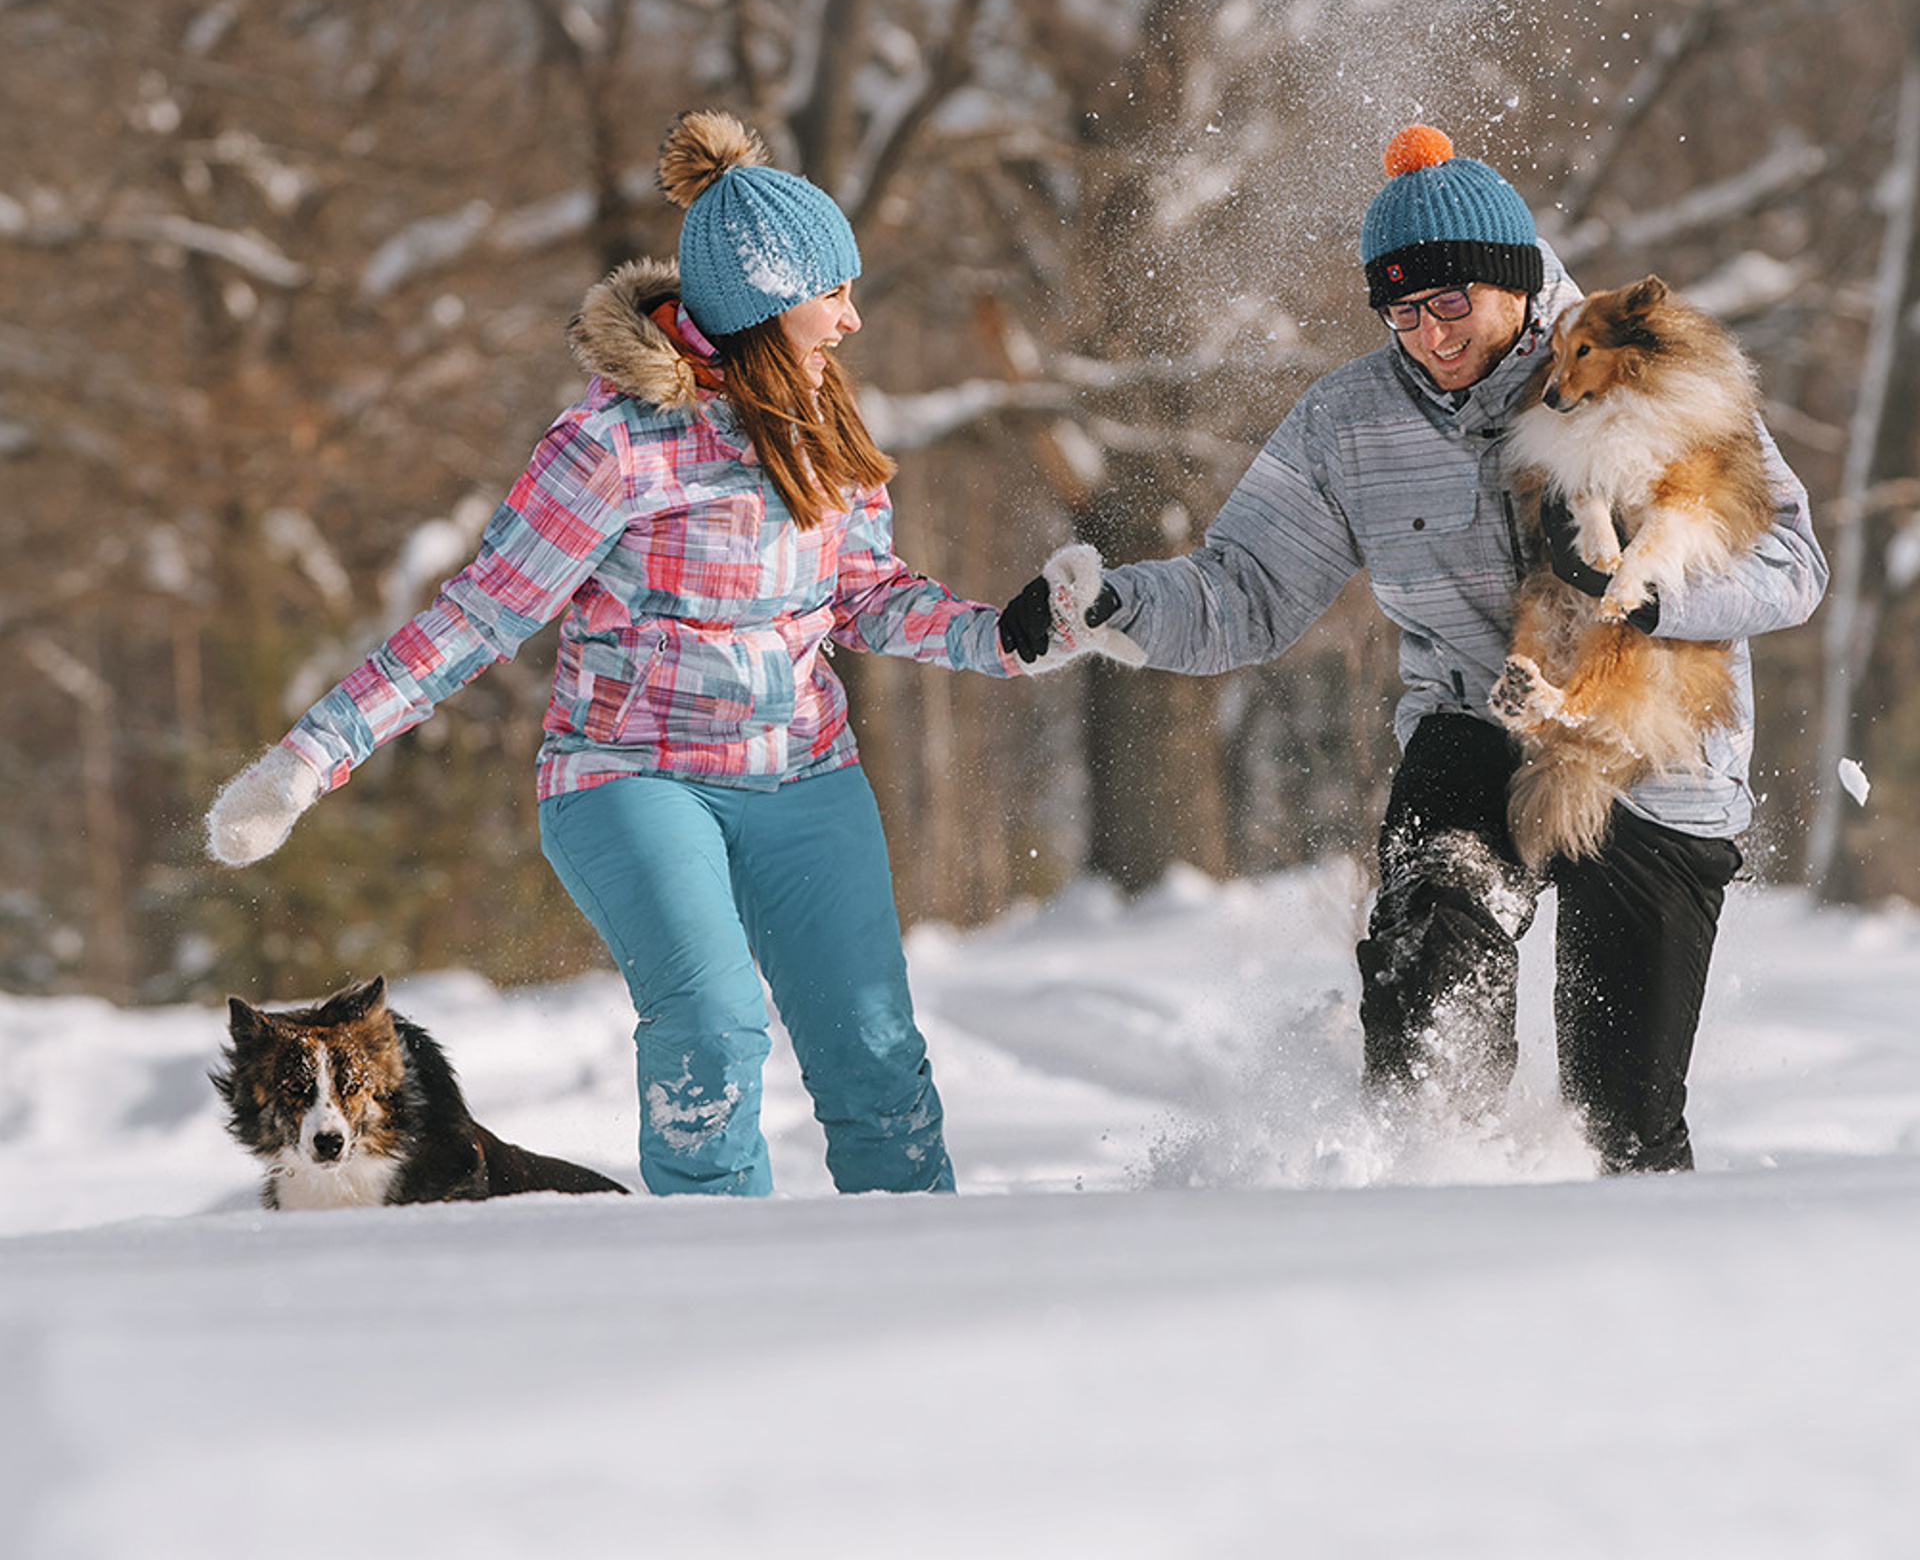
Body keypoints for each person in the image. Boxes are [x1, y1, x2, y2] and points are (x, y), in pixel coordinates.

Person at [207, 110, 1032, 1197]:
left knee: (873, 1044)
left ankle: (930, 1295)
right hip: (628, 777)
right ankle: (707, 1290)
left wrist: (1006, 638)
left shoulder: (823, 421)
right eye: (833, 294)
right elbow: (477, 616)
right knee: (713, 1024)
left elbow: (866, 595)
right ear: (765, 306)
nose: (853, 319)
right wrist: (308, 758)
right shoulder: (611, 450)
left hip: (803, 773)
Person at [998, 124, 1827, 1173]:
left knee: (1626, 1124)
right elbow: (1244, 592)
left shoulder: (1637, 363)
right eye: (1402, 310)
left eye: (1452, 304)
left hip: (1654, 754)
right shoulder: (1348, 422)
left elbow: (1796, 568)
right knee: (1431, 940)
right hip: (1479, 721)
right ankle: (1437, 1178)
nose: (1431, 336)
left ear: (1517, 284)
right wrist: (1106, 606)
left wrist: (1647, 597)